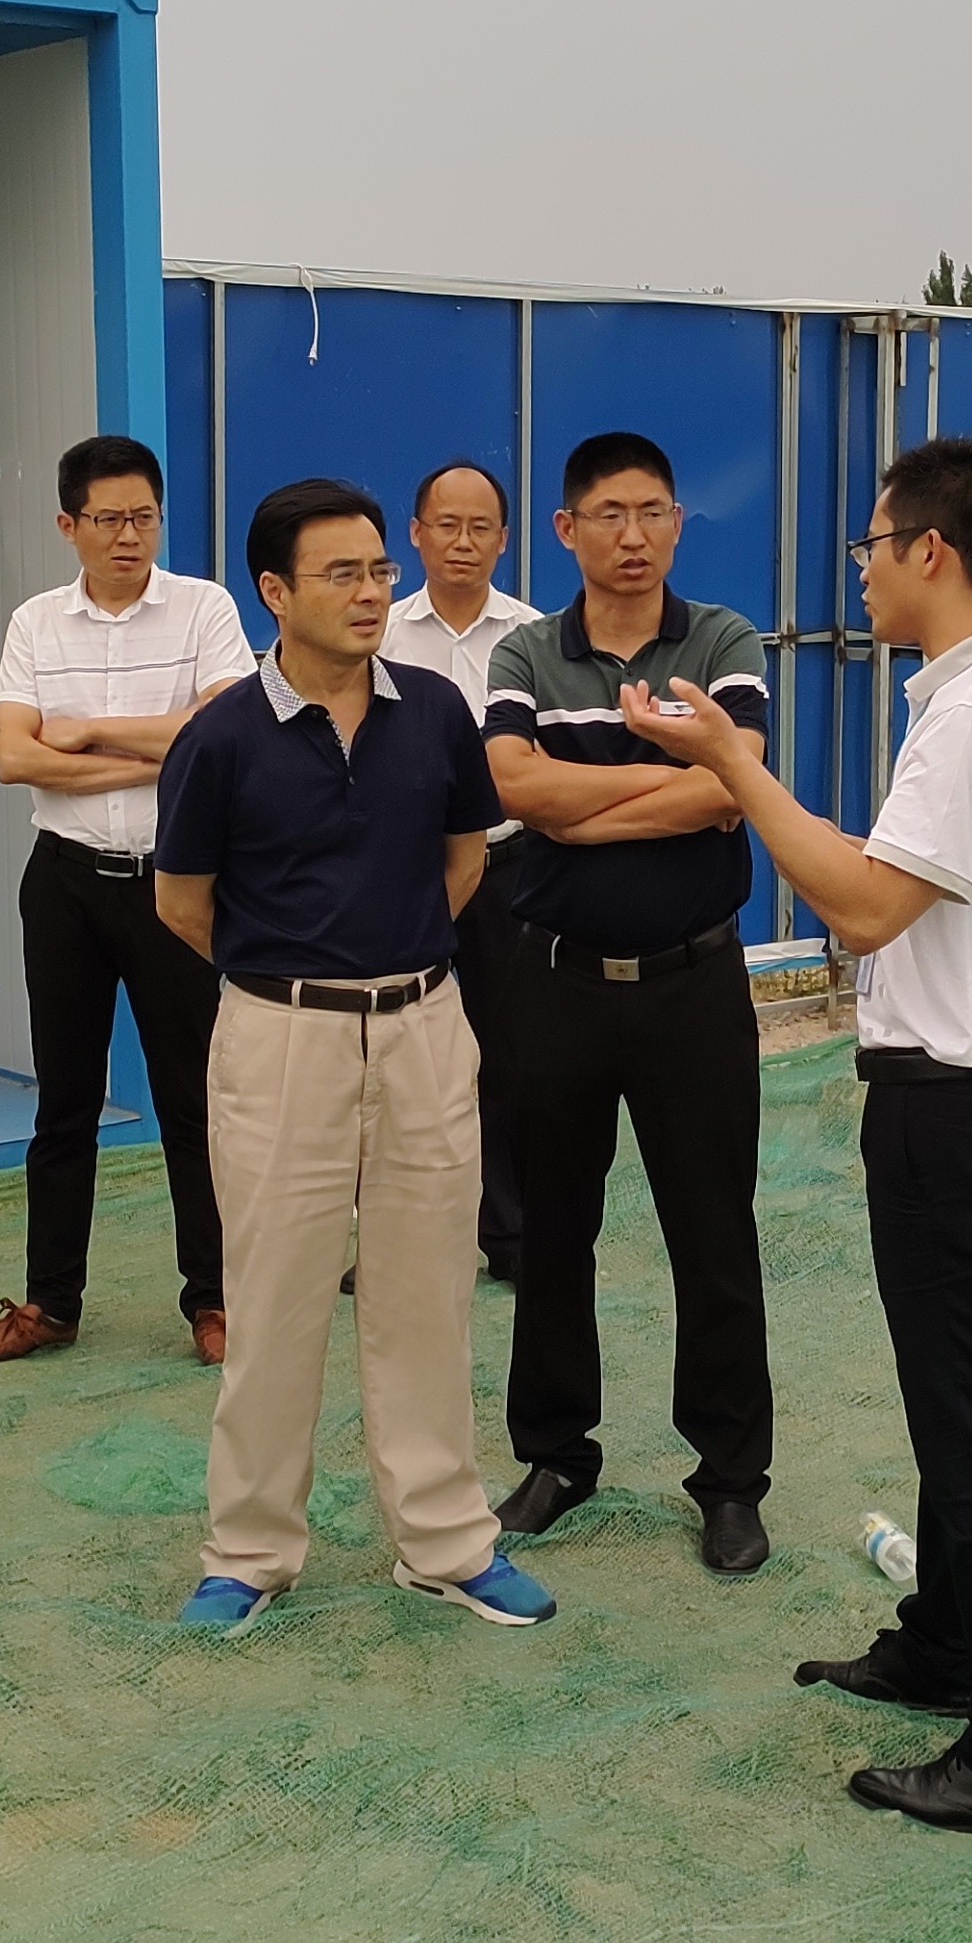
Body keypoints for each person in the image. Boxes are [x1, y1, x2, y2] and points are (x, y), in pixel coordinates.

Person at [624, 436, 972, 1840]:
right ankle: (944, 1642)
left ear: (930, 551)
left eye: (873, 547)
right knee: (962, 1419)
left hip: (968, 1112)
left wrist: (735, 767)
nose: (865, 572)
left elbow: (867, 907)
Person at [154, 479, 547, 1634]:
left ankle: (446, 1543)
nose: (372, 592)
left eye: (379, 570)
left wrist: (387, 963)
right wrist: (297, 974)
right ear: (274, 592)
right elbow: (182, 902)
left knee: (426, 1295)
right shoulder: (219, 737)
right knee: (273, 1299)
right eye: (343, 574)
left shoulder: (434, 713)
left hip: (425, 1024)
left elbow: (463, 860)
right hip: (279, 1038)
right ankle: (248, 1553)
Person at [477, 431, 778, 1575]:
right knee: (552, 1232)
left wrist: (583, 809)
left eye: (653, 511)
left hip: (693, 986)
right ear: (567, 529)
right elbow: (513, 786)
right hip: (554, 982)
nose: (633, 535)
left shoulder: (720, 639)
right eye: (609, 513)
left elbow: (731, 789)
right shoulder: (524, 651)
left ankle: (731, 1481)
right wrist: (677, 780)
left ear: (677, 523)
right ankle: (557, 1455)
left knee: (714, 1234)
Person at [0, 434, 252, 1367]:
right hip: (64, 884)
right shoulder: (35, 623)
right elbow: (12, 757)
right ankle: (51, 1303)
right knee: (65, 1103)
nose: (129, 535)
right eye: (108, 519)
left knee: (194, 1101)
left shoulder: (204, 608)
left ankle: (214, 1300)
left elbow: (223, 735)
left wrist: (90, 732)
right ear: (69, 525)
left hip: (177, 885)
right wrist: (158, 753)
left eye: (144, 517)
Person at [381, 460, 541, 1284]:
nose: (463, 542)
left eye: (481, 528)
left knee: (508, 1055)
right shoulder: (379, 633)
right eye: (447, 525)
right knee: (394, 1057)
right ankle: (396, 1241)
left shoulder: (535, 637)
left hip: (510, 871)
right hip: (400, 872)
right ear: (416, 534)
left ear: (504, 540)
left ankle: (510, 1235)